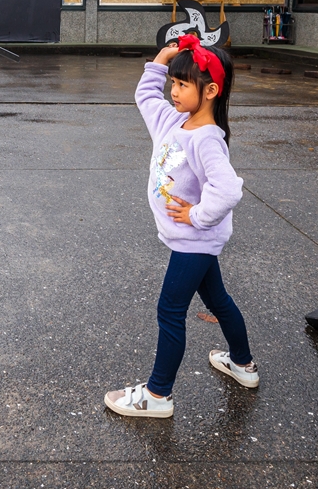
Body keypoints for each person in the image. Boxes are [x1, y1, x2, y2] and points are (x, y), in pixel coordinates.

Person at [104, 34, 257, 419]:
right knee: (217, 300)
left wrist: (197, 215)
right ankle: (243, 364)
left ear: (211, 91)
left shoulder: (206, 139)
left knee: (170, 311)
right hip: (193, 241)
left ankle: (158, 395)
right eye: (173, 81)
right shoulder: (174, 121)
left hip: (195, 242)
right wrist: (160, 60)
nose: (173, 90)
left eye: (182, 84)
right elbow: (145, 96)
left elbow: (228, 190)